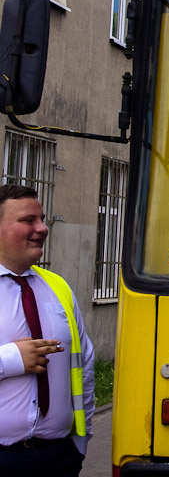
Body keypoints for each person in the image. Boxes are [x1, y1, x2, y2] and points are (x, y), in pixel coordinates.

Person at [0, 184, 95, 476]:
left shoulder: (58, 287)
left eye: (41, 219)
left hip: (58, 458)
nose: (42, 228)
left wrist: (79, 445)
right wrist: (12, 360)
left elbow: (84, 366)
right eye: (28, 220)